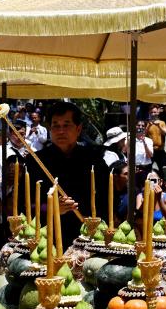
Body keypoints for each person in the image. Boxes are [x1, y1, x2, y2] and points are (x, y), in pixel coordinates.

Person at [25, 102, 109, 249]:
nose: (60, 131)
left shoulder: (94, 159)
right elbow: (25, 203)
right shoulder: (36, 161)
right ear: (50, 129)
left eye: (66, 125)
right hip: (47, 239)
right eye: (56, 125)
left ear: (78, 129)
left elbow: (107, 199)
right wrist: (52, 208)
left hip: (88, 238)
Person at [146, 105, 166, 172]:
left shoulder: (162, 123)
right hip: (150, 150)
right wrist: (148, 126)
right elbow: (143, 135)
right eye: (152, 112)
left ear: (158, 112)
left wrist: (159, 126)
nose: (153, 114)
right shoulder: (147, 123)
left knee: (163, 170)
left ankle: (164, 182)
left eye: (155, 112)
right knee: (148, 170)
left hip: (160, 150)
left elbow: (165, 133)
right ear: (149, 113)